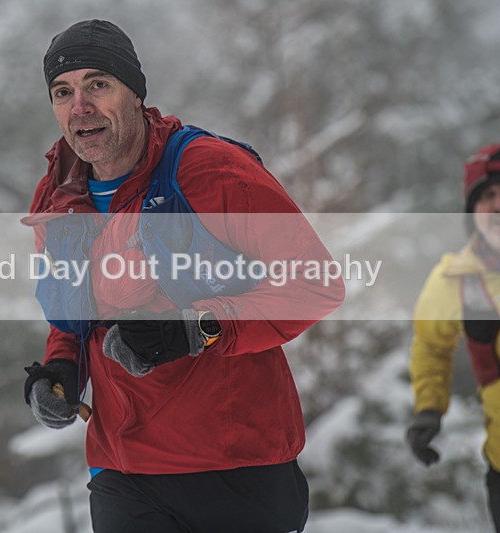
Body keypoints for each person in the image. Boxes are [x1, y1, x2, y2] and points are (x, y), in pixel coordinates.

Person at [22, 19, 344, 532]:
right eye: (63, 92)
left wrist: (198, 328)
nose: (79, 105)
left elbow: (314, 284)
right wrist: (61, 369)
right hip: (122, 469)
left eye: (97, 84)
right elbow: (73, 313)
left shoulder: (209, 170)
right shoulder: (59, 193)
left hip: (235, 466)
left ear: (134, 94)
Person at [407, 142, 500, 533]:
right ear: (473, 211)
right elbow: (430, 346)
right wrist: (429, 409)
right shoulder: (453, 277)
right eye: (488, 196)